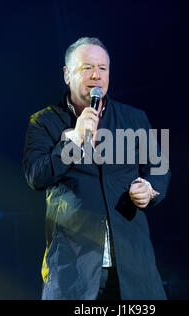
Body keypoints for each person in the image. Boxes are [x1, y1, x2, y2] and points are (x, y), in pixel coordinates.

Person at [22, 37, 171, 300]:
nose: (96, 75)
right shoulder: (43, 122)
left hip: (132, 264)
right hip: (74, 267)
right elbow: (36, 176)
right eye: (86, 67)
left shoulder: (133, 118)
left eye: (102, 68)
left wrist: (150, 189)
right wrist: (74, 139)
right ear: (67, 75)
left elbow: (160, 168)